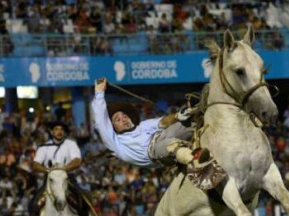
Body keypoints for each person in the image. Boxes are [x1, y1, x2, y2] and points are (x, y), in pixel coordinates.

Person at [91, 77, 225, 190]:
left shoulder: (143, 126)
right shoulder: (116, 143)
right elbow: (101, 122)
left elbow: (164, 122)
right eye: (118, 120)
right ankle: (197, 160)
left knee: (194, 120)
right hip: (154, 152)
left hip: (164, 136)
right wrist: (99, 93)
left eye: (124, 116)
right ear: (113, 128)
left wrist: (180, 114)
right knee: (170, 144)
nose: (123, 119)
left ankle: (219, 119)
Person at [28, 120, 92, 216]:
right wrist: (47, 171)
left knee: (85, 201)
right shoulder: (43, 147)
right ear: (51, 132)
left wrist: (63, 170)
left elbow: (77, 161)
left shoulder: (71, 144)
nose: (59, 131)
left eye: (61, 129)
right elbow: (35, 165)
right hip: (50, 180)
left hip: (67, 178)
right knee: (32, 204)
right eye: (56, 129)